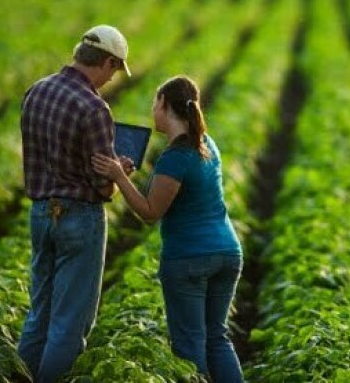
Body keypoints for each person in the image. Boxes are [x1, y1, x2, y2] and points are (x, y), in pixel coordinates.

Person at [92, 76, 244, 382]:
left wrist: (120, 177)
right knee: (217, 337)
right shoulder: (206, 144)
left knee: (189, 345)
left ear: (164, 105)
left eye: (154, 102)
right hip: (227, 251)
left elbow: (150, 212)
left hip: (190, 258)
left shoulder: (176, 158)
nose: (152, 109)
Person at [17, 25, 135, 382]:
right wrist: (119, 174)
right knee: (70, 324)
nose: (113, 78)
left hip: (41, 212)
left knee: (40, 314)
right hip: (79, 218)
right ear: (108, 62)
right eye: (115, 70)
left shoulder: (36, 92)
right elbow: (102, 187)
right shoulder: (94, 108)